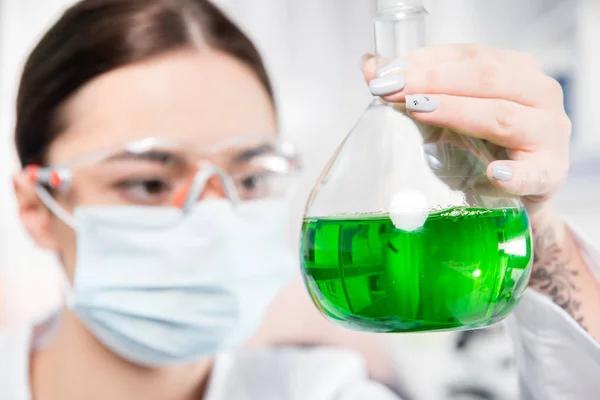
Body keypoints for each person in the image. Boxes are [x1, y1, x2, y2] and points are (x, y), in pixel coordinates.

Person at [1, 0, 599, 399]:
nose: (213, 215)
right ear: (35, 206)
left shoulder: (321, 391)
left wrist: (536, 220)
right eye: (149, 183)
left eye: (252, 175)